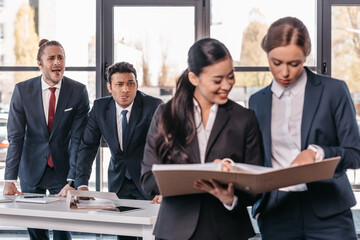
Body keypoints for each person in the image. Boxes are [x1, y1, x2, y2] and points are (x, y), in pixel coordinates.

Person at [249, 17, 360, 240]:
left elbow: (355, 154)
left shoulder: (334, 91)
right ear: (267, 55)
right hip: (277, 213)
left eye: (294, 63)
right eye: (276, 62)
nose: (284, 73)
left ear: (305, 56)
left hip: (329, 211)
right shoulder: (257, 102)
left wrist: (318, 153)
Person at [141, 38, 263, 240]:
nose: (227, 85)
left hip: (228, 229)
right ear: (194, 78)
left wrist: (231, 196)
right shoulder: (166, 114)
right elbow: (148, 179)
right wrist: (201, 174)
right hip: (174, 231)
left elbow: (255, 185)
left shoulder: (244, 118)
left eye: (230, 77)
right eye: (217, 80)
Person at [3, 39, 90, 240]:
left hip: (63, 170)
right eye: (51, 58)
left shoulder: (78, 91)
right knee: (36, 230)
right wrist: (9, 179)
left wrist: (72, 178)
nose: (57, 62)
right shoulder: (22, 91)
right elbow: (16, 137)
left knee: (62, 229)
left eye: (60, 57)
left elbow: (78, 139)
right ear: (40, 64)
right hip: (31, 169)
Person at [75, 61, 162, 240]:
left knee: (154, 235)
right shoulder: (100, 108)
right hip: (119, 183)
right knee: (124, 235)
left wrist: (165, 188)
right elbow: (88, 146)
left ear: (137, 85)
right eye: (119, 84)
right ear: (109, 87)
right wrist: (82, 183)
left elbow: (166, 147)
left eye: (130, 83)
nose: (125, 90)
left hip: (150, 183)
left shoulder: (153, 106)